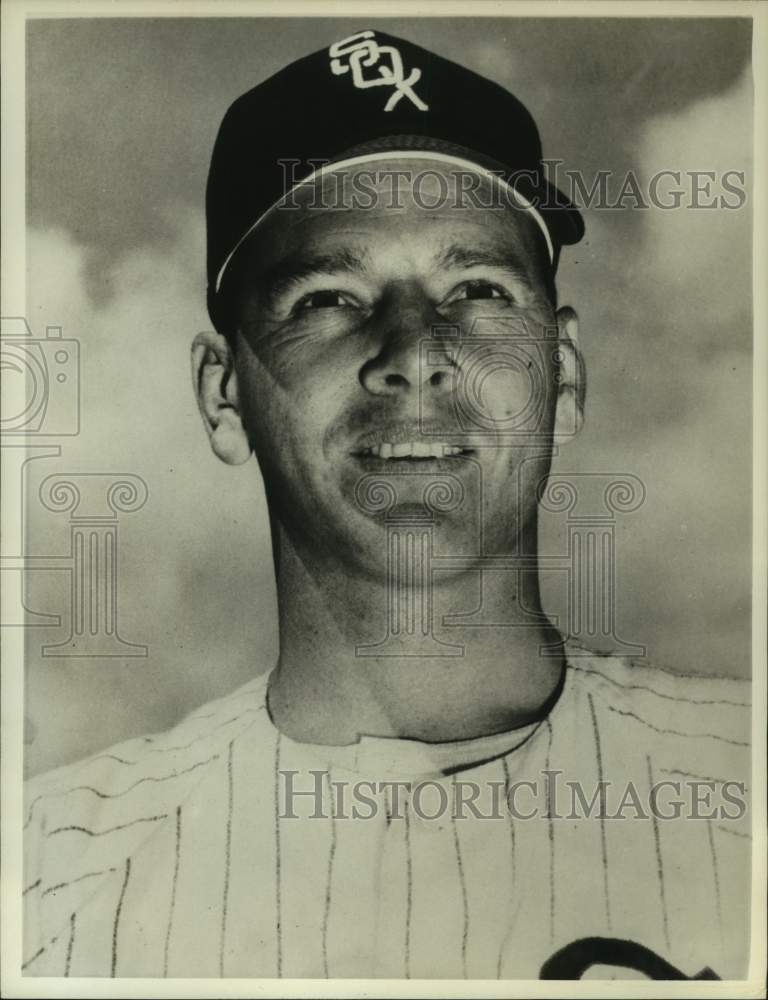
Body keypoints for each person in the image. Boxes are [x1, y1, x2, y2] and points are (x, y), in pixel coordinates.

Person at [23, 29, 751, 980]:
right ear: (223, 393)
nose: (415, 350)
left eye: (479, 289)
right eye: (328, 299)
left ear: (563, 376)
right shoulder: (48, 880)